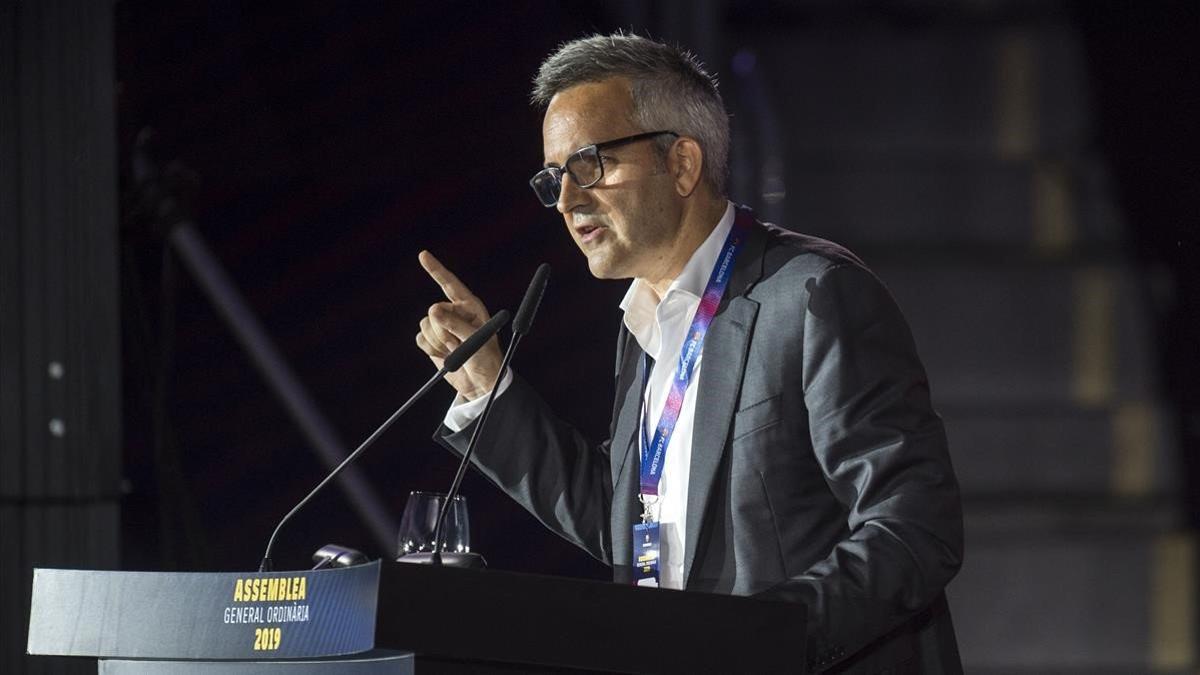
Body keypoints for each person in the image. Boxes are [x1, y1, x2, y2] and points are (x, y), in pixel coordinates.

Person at [415, 33, 963, 674]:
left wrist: (754, 642)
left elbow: (913, 530)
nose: (566, 200)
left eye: (589, 163)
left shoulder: (811, 297)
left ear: (681, 164)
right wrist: (487, 387)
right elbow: (624, 523)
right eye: (554, 177)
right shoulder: (645, 326)